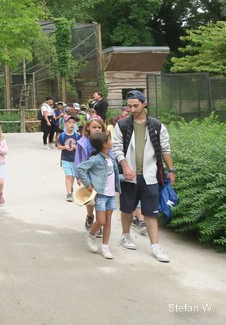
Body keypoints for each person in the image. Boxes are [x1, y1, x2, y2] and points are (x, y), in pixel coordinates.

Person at [112, 90, 176, 262]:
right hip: (129, 175)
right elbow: (117, 148)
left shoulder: (157, 126)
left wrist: (171, 170)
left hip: (150, 175)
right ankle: (125, 235)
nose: (132, 109)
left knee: (151, 211)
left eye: (136, 105)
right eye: (129, 106)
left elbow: (165, 149)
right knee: (126, 208)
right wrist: (125, 166)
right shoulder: (123, 125)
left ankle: (155, 245)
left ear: (144, 103)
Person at [76, 131, 121, 259]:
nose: (112, 142)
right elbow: (80, 168)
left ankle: (105, 246)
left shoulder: (111, 159)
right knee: (101, 221)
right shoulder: (95, 159)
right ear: (105, 145)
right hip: (101, 194)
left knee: (108, 222)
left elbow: (113, 175)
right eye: (110, 140)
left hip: (111, 194)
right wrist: (88, 184)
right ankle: (91, 235)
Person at [74, 117, 106, 233]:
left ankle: (98, 223)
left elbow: (110, 155)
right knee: (91, 197)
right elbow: (78, 159)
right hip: (88, 174)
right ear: (88, 127)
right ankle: (90, 216)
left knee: (100, 199)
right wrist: (78, 176)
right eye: (94, 127)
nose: (97, 129)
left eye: (99, 127)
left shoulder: (105, 140)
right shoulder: (82, 142)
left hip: (101, 174)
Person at [57, 115, 81, 202]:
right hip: (65, 158)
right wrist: (64, 147)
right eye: (69, 122)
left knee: (73, 175)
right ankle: (69, 193)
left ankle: (70, 188)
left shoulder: (77, 135)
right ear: (65, 124)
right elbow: (58, 146)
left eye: (73, 123)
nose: (72, 124)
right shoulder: (62, 136)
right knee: (68, 175)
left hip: (75, 159)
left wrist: (76, 147)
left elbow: (81, 146)